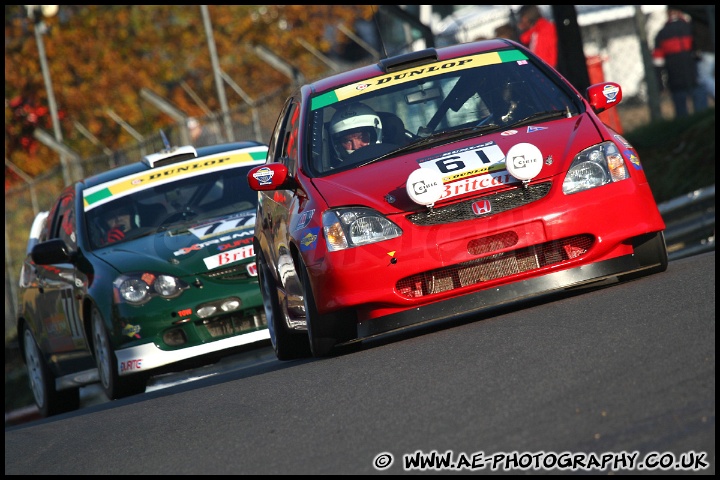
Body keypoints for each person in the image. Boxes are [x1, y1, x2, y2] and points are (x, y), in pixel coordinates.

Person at [652, 7, 709, 118]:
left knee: (682, 115)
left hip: (675, 80)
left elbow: (658, 62)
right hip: (695, 76)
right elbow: (699, 53)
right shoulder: (691, 28)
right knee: (702, 114)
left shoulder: (662, 34)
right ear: (680, 12)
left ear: (668, 13)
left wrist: (660, 85)